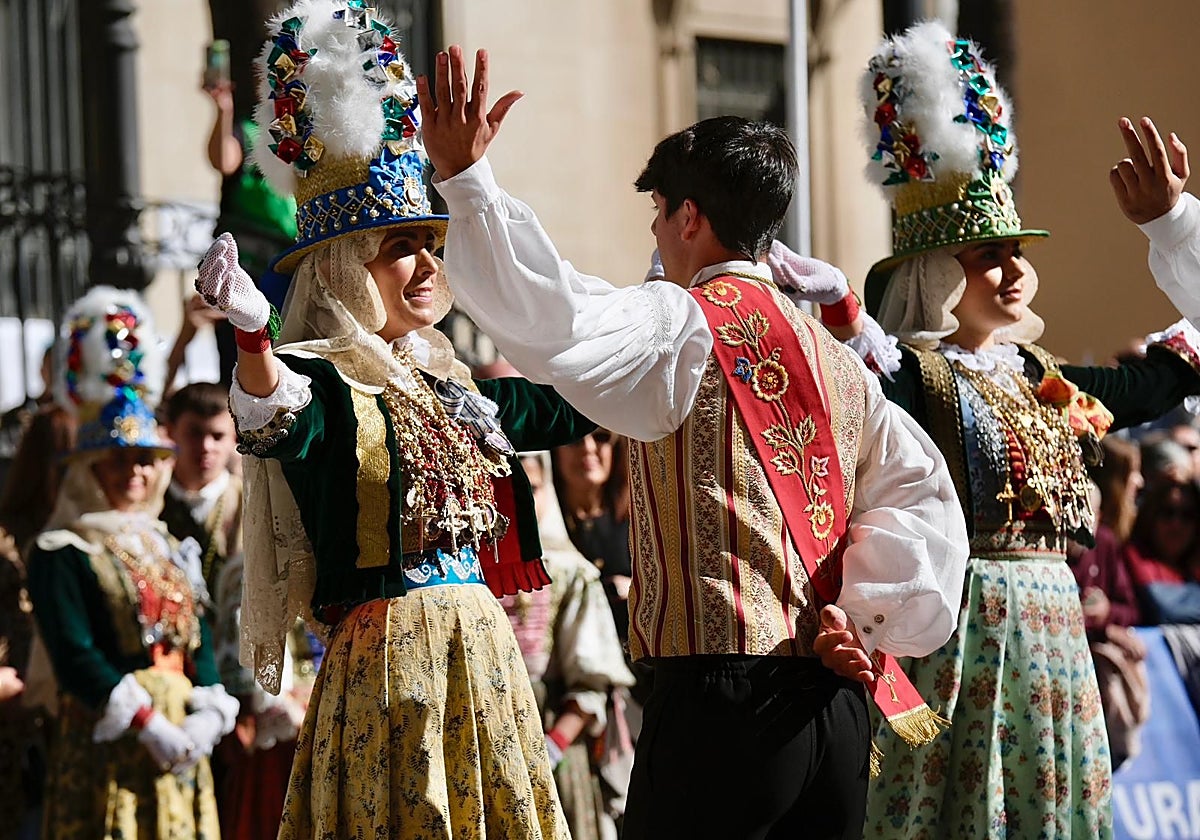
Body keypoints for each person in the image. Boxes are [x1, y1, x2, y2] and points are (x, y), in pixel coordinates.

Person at [419, 44, 969, 840]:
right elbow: (923, 501)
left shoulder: (679, 322)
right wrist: (859, 614)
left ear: (689, 217)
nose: (656, 231)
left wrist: (467, 181)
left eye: (658, 212)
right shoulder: (841, 364)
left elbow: (554, 318)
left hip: (722, 708)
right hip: (836, 714)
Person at [773, 23, 1200, 838]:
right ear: (936, 272)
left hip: (1054, 640)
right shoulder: (906, 376)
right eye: (985, 255)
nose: (1012, 271)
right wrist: (834, 312)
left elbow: (1169, 378)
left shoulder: (1048, 382)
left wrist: (1173, 223)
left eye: (1015, 252)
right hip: (955, 640)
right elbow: (839, 378)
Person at [194, 3, 591, 836]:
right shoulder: (326, 381)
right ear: (344, 268)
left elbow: (572, 399)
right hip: (387, 668)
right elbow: (277, 420)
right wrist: (251, 332)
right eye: (400, 246)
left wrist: (672, 319)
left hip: (480, 656)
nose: (425, 266)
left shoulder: (458, 388)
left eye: (429, 243)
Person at [26, 286, 238, 840]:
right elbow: (74, 651)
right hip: (112, 733)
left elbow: (197, 630)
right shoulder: (63, 550)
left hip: (180, 733)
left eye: (145, 461)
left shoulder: (166, 543)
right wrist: (145, 723)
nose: (134, 474)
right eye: (118, 461)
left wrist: (210, 706)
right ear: (89, 467)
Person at [501, 452, 636, 839]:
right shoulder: (469, 580)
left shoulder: (569, 572)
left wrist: (554, 744)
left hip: (554, 741)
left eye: (534, 489)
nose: (524, 502)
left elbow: (592, 679)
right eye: (511, 492)